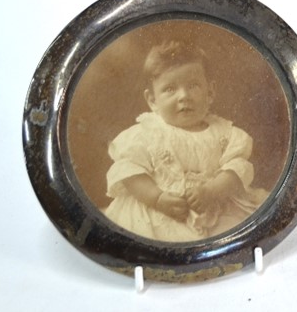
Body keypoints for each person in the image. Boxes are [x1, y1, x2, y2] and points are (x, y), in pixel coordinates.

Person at [104, 40, 268, 241]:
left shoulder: (226, 133)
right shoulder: (145, 133)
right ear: (153, 100)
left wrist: (213, 190)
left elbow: (237, 168)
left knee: (237, 234)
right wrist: (157, 199)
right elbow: (129, 172)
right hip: (160, 212)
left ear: (210, 92)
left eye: (193, 86)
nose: (184, 96)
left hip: (216, 207)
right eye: (170, 89)